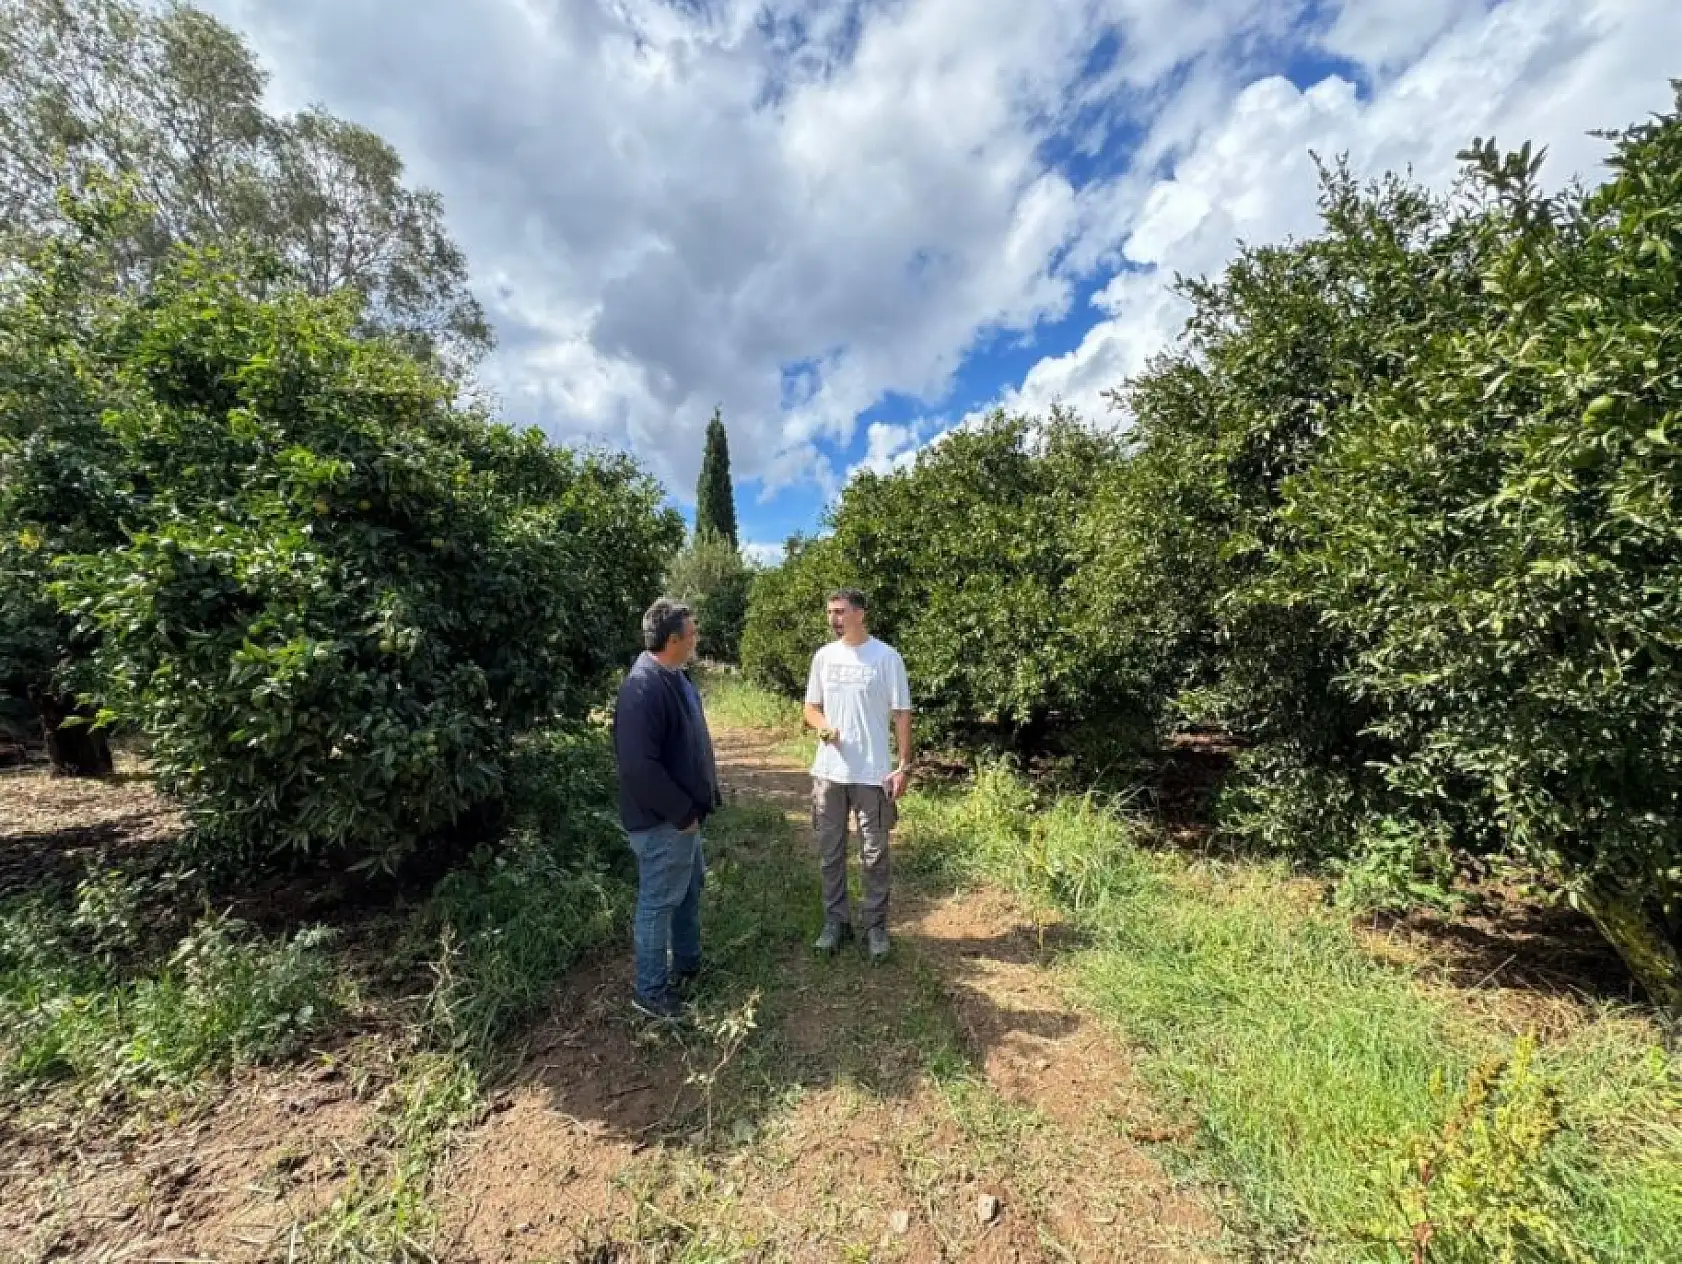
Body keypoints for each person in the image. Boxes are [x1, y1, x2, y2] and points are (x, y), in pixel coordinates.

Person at [612, 599, 721, 1019]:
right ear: (672, 639)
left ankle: (688, 966)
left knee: (688, 892)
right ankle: (651, 992)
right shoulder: (642, 687)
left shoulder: (675, 677)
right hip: (663, 823)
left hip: (682, 821)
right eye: (692, 633)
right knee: (657, 905)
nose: (696, 639)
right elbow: (639, 766)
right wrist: (682, 812)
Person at [802, 587, 913, 961]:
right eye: (830, 612)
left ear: (860, 614)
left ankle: (876, 928)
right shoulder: (824, 658)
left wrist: (903, 765)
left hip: (872, 774)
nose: (834, 619)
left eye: (840, 611)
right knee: (830, 852)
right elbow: (811, 708)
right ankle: (836, 923)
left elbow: (901, 713)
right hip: (830, 773)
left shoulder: (886, 657)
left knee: (874, 854)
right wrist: (822, 727)